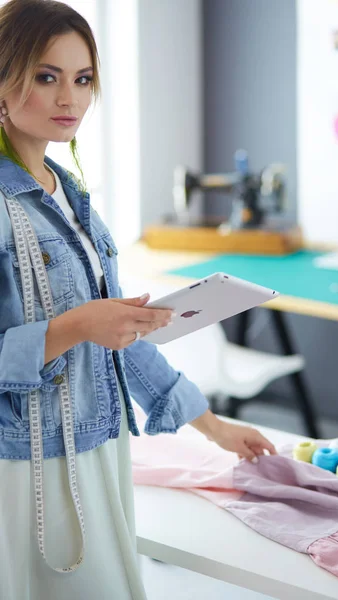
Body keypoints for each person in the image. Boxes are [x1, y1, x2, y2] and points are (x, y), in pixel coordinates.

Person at [0, 1, 277, 598]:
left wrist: (214, 426)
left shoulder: (72, 200)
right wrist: (76, 325)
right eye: (46, 77)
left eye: (82, 79)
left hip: (96, 448)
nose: (68, 98)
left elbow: (119, 342)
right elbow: (82, 329)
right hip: (23, 470)